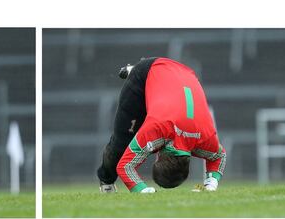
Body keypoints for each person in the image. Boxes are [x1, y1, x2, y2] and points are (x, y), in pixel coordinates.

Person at [97, 57, 227, 193]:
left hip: (184, 72)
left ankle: (148, 74)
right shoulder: (158, 129)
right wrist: (141, 190)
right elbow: (124, 166)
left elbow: (220, 156)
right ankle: (107, 182)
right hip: (146, 74)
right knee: (123, 144)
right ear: (159, 156)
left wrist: (211, 185)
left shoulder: (205, 139)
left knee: (143, 144)